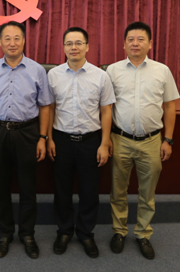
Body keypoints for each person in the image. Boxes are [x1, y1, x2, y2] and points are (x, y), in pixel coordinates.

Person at [106, 21, 180, 260]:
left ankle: (143, 233)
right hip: (120, 139)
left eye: (140, 39)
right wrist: (106, 139)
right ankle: (119, 231)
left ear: (150, 43)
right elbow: (105, 107)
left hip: (151, 141)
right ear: (124, 44)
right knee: (118, 190)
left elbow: (170, 107)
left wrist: (168, 139)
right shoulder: (112, 71)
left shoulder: (162, 70)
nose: (135, 43)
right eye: (131, 39)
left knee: (147, 192)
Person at [0, 21, 51, 259]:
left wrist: (42, 138)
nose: (12, 43)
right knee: (0, 187)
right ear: (0, 42)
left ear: (24, 41)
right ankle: (4, 234)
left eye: (17, 38)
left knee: (28, 188)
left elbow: (45, 106)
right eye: (7, 38)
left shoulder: (37, 70)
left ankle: (27, 234)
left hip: (27, 133)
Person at [46, 27, 115, 258]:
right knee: (62, 190)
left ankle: (86, 233)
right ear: (63, 47)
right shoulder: (53, 75)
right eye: (69, 43)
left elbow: (106, 111)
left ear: (87, 46)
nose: (73, 47)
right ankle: (64, 231)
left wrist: (104, 143)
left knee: (89, 191)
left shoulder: (101, 76)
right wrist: (48, 138)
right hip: (61, 140)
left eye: (78, 43)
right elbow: (49, 108)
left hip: (91, 141)